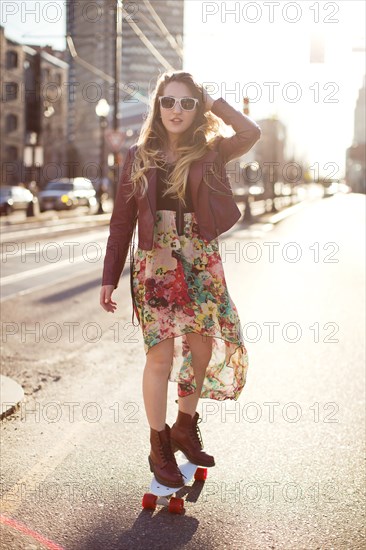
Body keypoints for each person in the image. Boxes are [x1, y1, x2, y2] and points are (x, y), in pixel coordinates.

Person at [100, 71, 261, 488]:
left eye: (187, 103)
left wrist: (213, 104)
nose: (176, 110)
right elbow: (122, 221)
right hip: (156, 261)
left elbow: (250, 131)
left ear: (197, 109)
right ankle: (158, 445)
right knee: (160, 356)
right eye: (169, 102)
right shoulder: (138, 156)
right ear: (157, 106)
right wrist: (109, 276)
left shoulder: (211, 152)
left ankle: (184, 426)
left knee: (203, 346)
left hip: (200, 258)